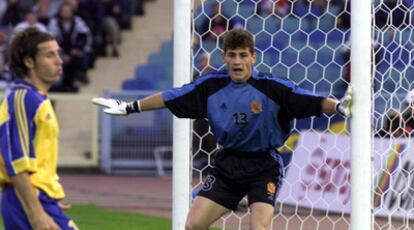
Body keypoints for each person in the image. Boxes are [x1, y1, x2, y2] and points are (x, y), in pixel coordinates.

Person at [92, 28, 352, 230]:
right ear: (224, 57)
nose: (237, 62)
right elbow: (170, 96)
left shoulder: (272, 87)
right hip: (227, 164)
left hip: (264, 166)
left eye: (243, 55)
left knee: (258, 226)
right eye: (232, 55)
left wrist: (339, 107)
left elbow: (311, 100)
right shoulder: (211, 86)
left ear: (253, 56)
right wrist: (130, 108)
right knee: (194, 224)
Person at [0, 27, 78, 230]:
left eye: (58, 53)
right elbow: (16, 163)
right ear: (29, 62)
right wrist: (36, 211)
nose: (59, 60)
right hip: (28, 199)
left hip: (38, 198)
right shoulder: (24, 99)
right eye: (49, 55)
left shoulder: (36, 98)